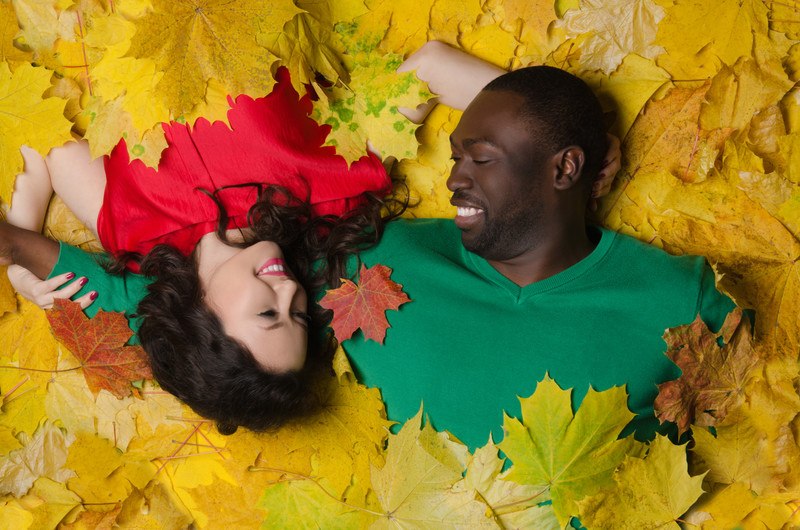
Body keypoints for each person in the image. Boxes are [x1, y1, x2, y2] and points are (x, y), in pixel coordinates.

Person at [337, 43, 736, 452]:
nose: (454, 179)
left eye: (482, 158)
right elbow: (278, 226)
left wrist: (573, 135)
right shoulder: (378, 260)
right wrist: (439, 72)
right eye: (457, 157)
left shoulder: (683, 301)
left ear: (565, 167)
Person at [1, 67, 402, 434]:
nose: (291, 292)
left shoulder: (130, 229)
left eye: (268, 313)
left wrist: (18, 262)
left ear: (199, 318)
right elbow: (416, 85)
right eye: (298, 314)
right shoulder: (336, 196)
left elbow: (48, 141)